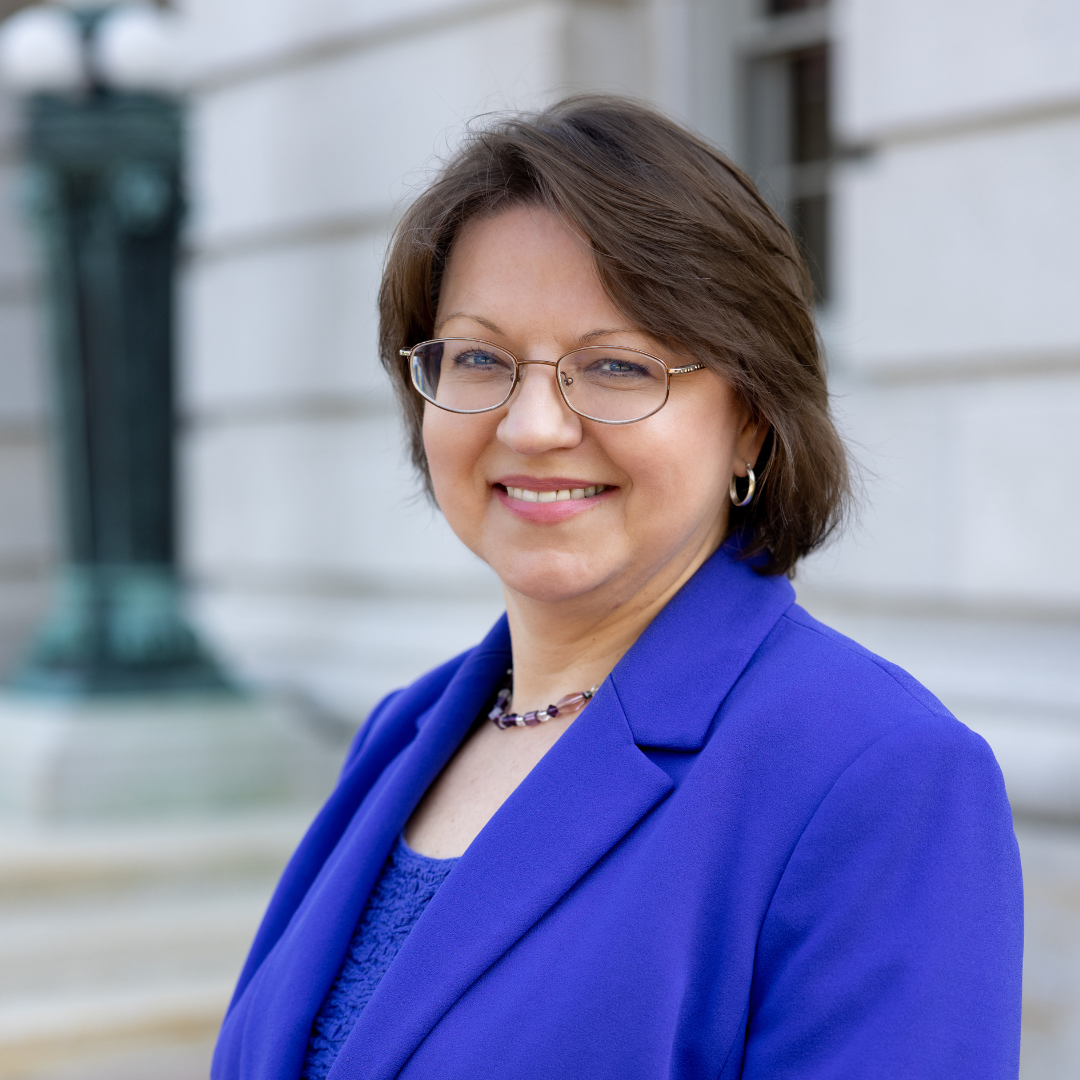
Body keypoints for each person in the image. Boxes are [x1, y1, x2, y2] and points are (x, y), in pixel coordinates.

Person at [212, 96, 1023, 1080]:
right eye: (479, 356)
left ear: (752, 420)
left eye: (617, 365)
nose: (534, 426)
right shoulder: (407, 730)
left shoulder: (876, 774)